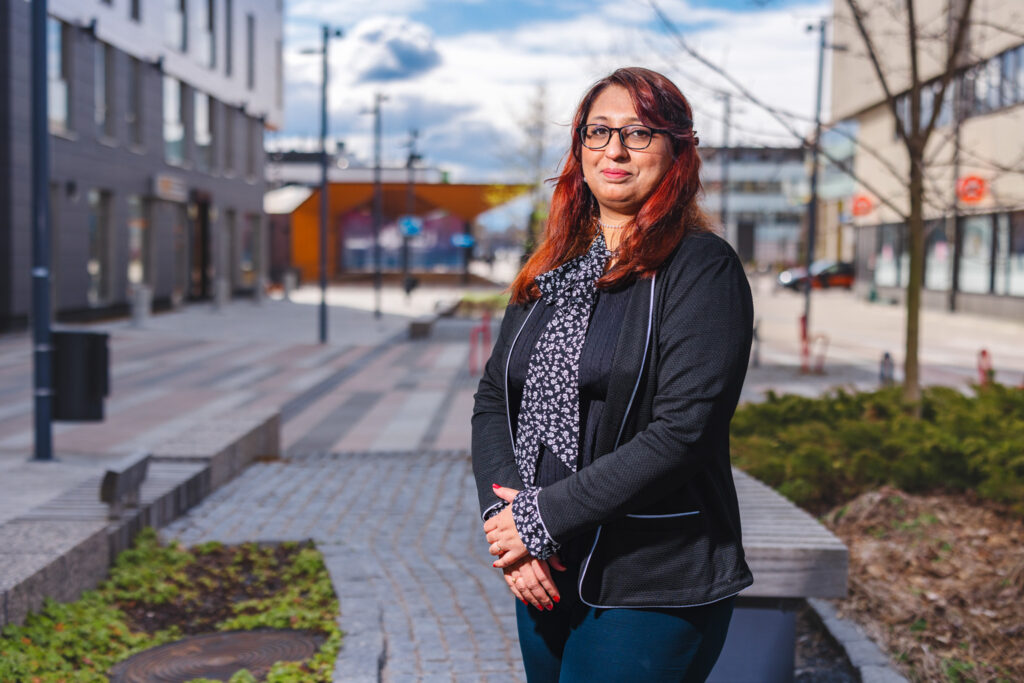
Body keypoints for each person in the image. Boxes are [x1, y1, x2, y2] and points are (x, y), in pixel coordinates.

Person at [471, 67, 754, 682]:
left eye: (640, 133)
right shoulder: (553, 265)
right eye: (599, 132)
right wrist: (506, 527)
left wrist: (538, 519)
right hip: (543, 567)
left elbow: (683, 433)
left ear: (678, 149)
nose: (616, 151)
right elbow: (496, 397)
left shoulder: (702, 268)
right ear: (579, 149)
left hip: (651, 580)